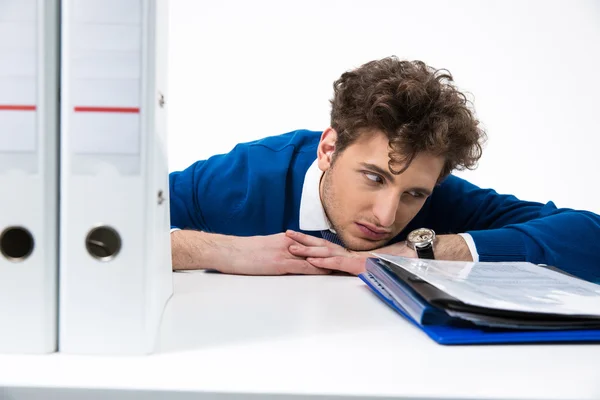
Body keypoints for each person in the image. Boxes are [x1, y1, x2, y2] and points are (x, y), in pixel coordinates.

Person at [168, 56, 600, 283]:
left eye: (414, 194)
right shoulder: (242, 178)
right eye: (374, 177)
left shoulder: (437, 197)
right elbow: (107, 224)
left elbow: (589, 235)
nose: (387, 216)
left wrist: (416, 254)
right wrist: (220, 250)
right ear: (329, 148)